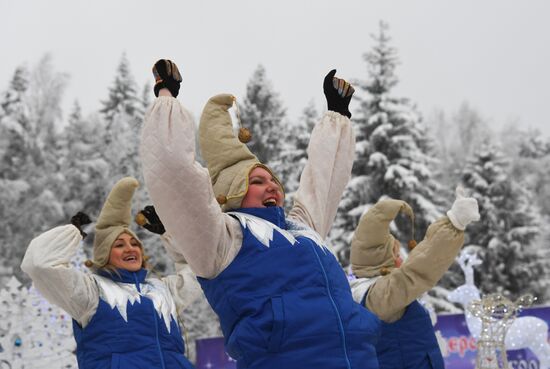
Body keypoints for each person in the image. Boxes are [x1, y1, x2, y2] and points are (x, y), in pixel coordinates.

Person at [140, 59, 381, 369]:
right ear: (231, 193)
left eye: (273, 181)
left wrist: (338, 115)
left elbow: (324, 180)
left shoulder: (303, 228)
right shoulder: (223, 239)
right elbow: (176, 174)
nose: (272, 187)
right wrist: (166, 96)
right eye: (257, 182)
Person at [21, 176, 201, 369]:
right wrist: (73, 233)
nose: (130, 249)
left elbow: (199, 270)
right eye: (119, 245)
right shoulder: (91, 292)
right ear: (104, 255)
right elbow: (39, 264)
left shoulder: (163, 290)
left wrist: (169, 233)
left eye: (134, 244)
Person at [349, 188, 480, 369]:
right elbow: (419, 269)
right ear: (381, 259)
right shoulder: (378, 296)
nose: (400, 258)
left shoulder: (360, 292)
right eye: (395, 252)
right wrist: (454, 224)